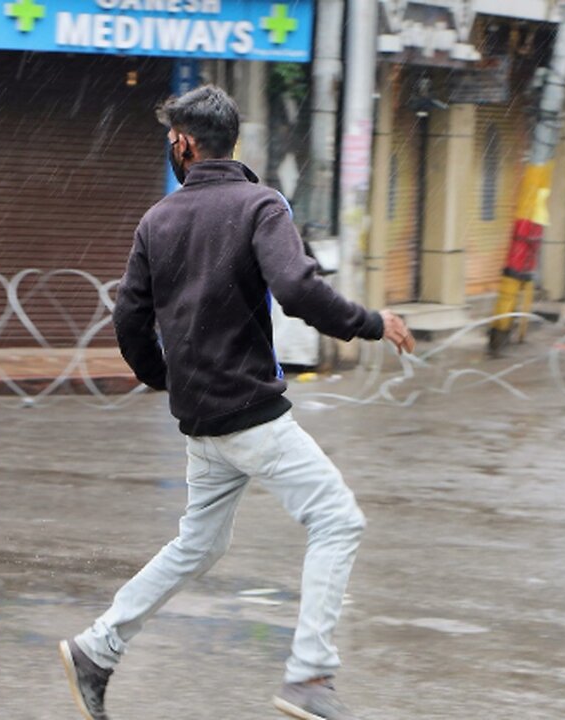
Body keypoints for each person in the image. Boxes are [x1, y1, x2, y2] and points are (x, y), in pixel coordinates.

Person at [58, 85, 414, 720]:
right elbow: (298, 288)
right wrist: (371, 322)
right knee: (338, 521)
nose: (172, 148)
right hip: (250, 413)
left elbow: (129, 322)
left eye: (172, 139)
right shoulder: (260, 205)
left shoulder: (157, 220)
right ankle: (309, 679)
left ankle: (96, 648)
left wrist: (168, 379)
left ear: (185, 144)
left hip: (202, 418)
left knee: (198, 545)